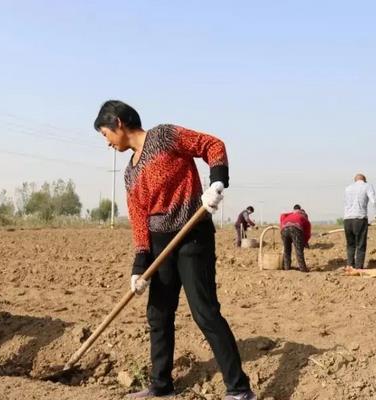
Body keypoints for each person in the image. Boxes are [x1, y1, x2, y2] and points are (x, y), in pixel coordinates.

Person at [94, 100, 255, 400]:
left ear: (118, 123)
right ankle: (161, 385)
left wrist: (217, 182)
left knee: (205, 312)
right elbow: (139, 219)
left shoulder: (165, 136)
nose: (106, 142)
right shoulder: (129, 173)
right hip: (160, 244)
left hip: (192, 236)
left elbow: (212, 145)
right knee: (158, 313)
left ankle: (239, 390)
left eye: (105, 134)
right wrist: (139, 266)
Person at [343, 174, 376, 269]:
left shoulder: (348, 188)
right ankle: (358, 268)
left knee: (350, 244)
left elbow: (346, 204)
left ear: (355, 180)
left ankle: (350, 266)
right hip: (360, 218)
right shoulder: (367, 186)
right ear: (364, 180)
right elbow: (374, 201)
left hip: (347, 220)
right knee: (360, 244)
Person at [279, 204, 311, 272]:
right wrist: (305, 241)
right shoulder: (303, 216)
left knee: (287, 250)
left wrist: (282, 227)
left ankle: (287, 267)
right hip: (295, 229)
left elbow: (282, 216)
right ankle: (303, 269)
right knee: (298, 250)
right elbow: (307, 231)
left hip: (284, 229)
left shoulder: (290, 214)